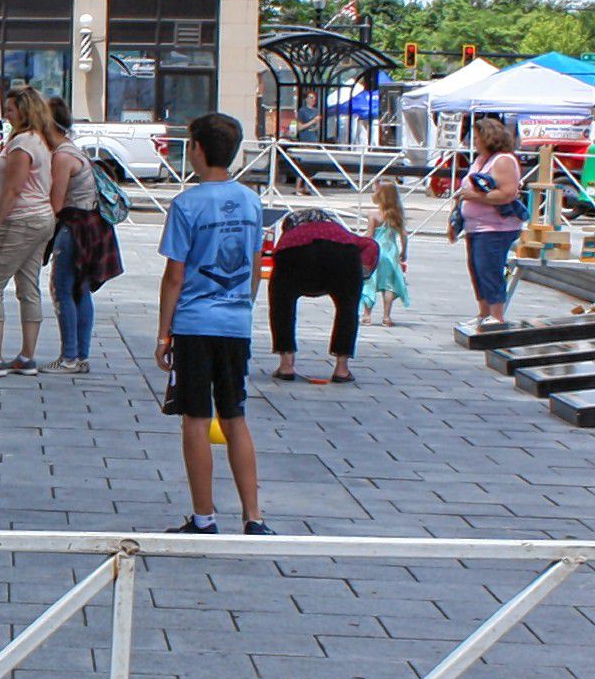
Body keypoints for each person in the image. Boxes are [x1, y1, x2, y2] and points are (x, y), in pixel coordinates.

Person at [157, 112, 268, 535]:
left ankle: (204, 516)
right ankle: (254, 516)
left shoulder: (187, 203)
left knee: (196, 420)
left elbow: (174, 275)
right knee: (235, 417)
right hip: (235, 322)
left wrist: (164, 332)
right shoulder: (251, 201)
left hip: (195, 322)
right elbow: (255, 264)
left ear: (197, 150)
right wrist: (242, 305)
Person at [0, 85, 62, 376]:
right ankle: (26, 356)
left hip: (20, 220)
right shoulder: (38, 140)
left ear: (24, 110)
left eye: (10, 109)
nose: (6, 114)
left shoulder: (22, 143)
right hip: (41, 218)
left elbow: (14, 189)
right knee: (27, 286)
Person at [46, 96, 116, 372]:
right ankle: (80, 356)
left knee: (63, 289)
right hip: (90, 227)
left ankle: (70, 357)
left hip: (74, 228)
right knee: (80, 290)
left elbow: (57, 204)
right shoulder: (74, 151)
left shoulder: (62, 156)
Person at [268, 208, 374, 384]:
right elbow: (371, 245)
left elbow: (277, 253)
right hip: (343, 254)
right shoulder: (338, 229)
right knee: (347, 308)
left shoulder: (293, 232)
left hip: (295, 253)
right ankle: (342, 369)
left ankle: (286, 365)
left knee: (282, 303)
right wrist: (363, 271)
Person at [451, 115, 524, 324]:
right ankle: (483, 312)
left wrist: (475, 197)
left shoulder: (503, 161)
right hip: (475, 226)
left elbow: (507, 193)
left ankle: (496, 315)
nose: (473, 142)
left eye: (476, 138)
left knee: (489, 268)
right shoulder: (481, 160)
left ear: (488, 138)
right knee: (476, 269)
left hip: (495, 227)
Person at [362, 179, 412, 326]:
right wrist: (404, 252)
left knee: (370, 282)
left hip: (375, 253)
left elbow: (370, 235)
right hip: (391, 254)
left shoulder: (374, 215)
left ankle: (367, 315)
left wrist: (358, 239)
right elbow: (404, 235)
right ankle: (386, 317)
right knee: (389, 285)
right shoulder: (397, 216)